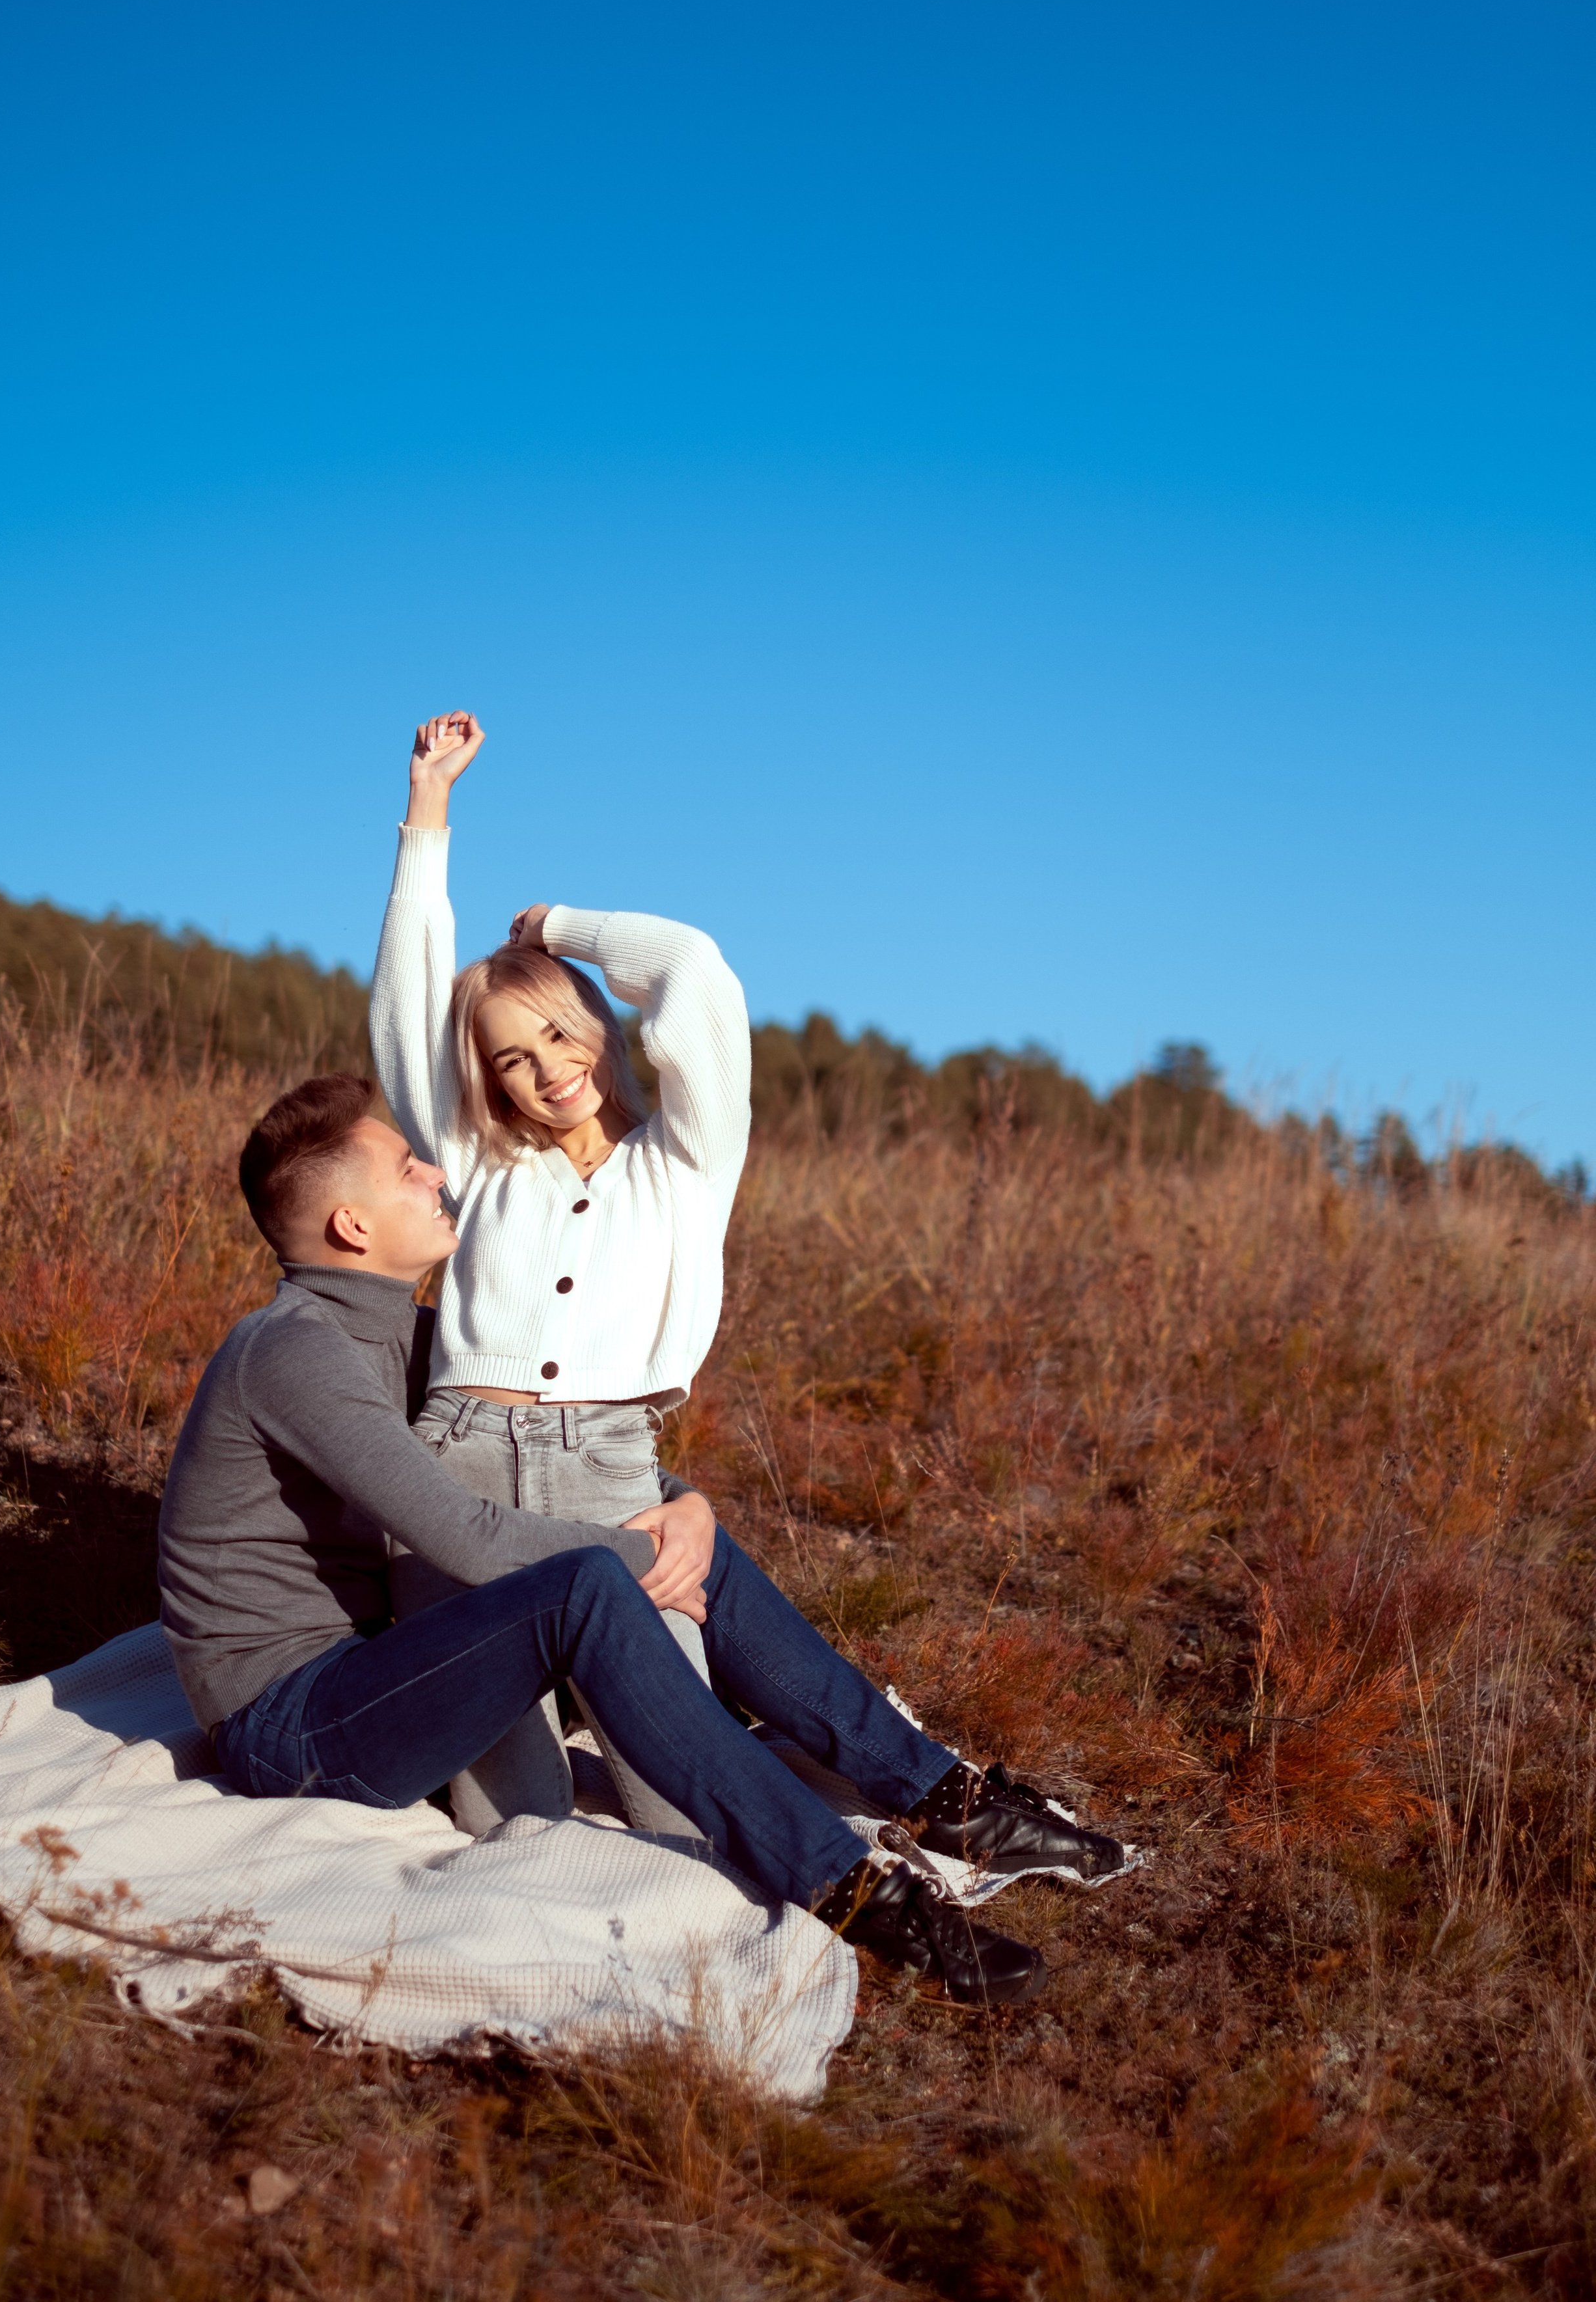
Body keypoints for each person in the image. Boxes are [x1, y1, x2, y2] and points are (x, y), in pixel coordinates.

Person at [157, 1075, 1131, 2010]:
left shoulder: (416, 1338)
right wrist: (644, 1557)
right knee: (589, 1580)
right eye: (407, 1168)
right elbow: (464, 1534)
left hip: (383, 1671)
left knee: (664, 1537)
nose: (436, 1174)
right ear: (352, 1226)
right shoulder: (293, 1351)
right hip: (297, 1726)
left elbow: (536, 1447)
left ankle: (943, 1794)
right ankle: (858, 1897)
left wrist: (683, 1505)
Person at [368, 707, 747, 1837]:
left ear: (596, 1019)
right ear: (488, 1081)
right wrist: (428, 809)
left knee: (683, 1808)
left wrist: (557, 928)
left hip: (608, 1471)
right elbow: (408, 1004)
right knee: (508, 1817)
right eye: (512, 1058)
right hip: (458, 1467)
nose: (546, 1070)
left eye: (558, 1032)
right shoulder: (477, 1161)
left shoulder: (685, 1159)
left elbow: (693, 970)